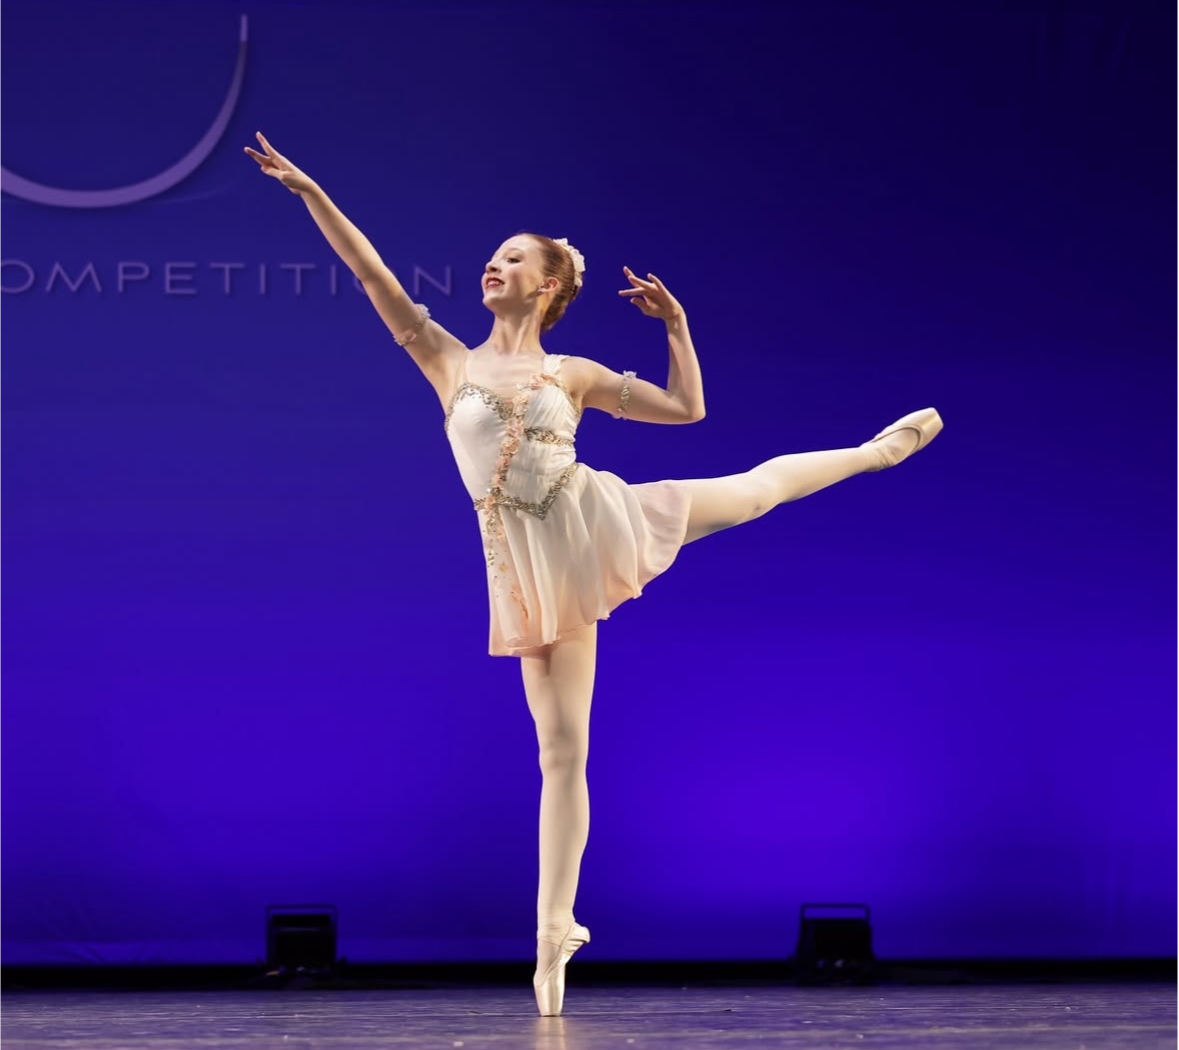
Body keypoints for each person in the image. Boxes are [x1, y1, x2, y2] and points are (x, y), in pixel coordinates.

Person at [244, 131, 943, 1015]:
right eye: (493, 256)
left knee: (754, 492)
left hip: (594, 518)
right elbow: (370, 272)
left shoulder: (569, 371)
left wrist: (676, 328)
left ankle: (873, 453)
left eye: (513, 258)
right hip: (526, 566)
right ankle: (553, 934)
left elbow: (687, 410)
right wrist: (311, 191)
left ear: (548, 285)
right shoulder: (445, 358)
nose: (493, 265)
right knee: (560, 751)